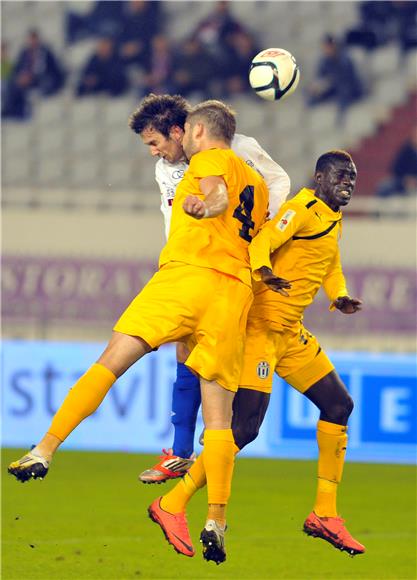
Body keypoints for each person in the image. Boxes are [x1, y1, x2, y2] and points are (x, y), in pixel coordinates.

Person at [8, 100, 270, 565]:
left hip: (187, 279)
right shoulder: (258, 184)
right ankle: (216, 518)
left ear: (195, 130)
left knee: (112, 362)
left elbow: (216, 198)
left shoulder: (210, 157)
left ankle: (44, 449)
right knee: (220, 422)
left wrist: (203, 204)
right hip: (233, 298)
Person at [150, 150, 366, 561]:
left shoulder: (331, 218)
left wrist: (338, 295)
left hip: (290, 335)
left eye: (353, 178)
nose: (349, 183)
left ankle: (325, 513)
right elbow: (265, 239)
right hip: (260, 333)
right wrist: (265, 271)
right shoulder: (300, 208)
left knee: (339, 405)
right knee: (243, 431)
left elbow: (330, 261)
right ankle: (172, 503)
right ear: (319, 177)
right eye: (341, 175)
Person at [128, 94, 290, 486]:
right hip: (194, 270)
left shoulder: (240, 148)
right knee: (186, 352)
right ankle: (181, 452)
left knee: (223, 357)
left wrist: (262, 234)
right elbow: (174, 219)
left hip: (235, 268)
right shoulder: (167, 170)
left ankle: (218, 439)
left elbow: (279, 180)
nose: (154, 153)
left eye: (155, 142)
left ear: (180, 131)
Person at [306, 34, 364, 122]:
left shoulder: (345, 58)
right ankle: (311, 118)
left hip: (350, 88)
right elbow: (319, 77)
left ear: (333, 46)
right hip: (334, 87)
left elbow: (347, 79)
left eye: (328, 47)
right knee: (311, 94)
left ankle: (340, 120)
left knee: (344, 92)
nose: (326, 50)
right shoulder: (324, 61)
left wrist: (330, 81)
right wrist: (317, 86)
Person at [376, 126, 417, 198]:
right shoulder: (406, 150)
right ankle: (378, 208)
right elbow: (395, 169)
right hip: (402, 182)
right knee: (384, 185)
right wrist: (405, 180)